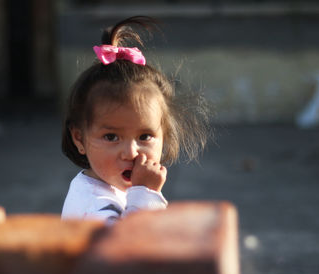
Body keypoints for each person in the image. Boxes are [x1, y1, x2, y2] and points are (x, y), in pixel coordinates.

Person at [61, 16, 210, 223]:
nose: (131, 152)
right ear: (79, 138)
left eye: (145, 136)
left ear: (164, 135)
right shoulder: (94, 206)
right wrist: (146, 193)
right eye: (111, 137)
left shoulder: (104, 186)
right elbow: (129, 248)